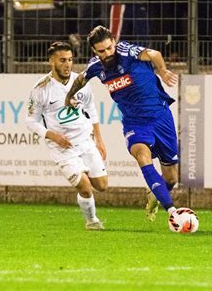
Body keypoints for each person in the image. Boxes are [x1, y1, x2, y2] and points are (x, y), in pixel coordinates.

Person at [65, 25, 179, 222]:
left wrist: (162, 70)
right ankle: (173, 212)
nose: (107, 53)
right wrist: (69, 97)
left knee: (171, 178)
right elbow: (81, 78)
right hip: (135, 123)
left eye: (110, 48)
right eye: (101, 51)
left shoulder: (127, 51)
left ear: (114, 43)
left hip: (161, 117)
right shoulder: (96, 67)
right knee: (143, 157)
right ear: (94, 51)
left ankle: (155, 194)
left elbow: (154, 53)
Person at [26, 41, 109, 230]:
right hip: (62, 147)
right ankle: (92, 221)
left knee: (102, 186)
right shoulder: (41, 88)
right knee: (85, 187)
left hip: (85, 141)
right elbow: (31, 121)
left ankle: (84, 171)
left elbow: (91, 109)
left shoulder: (80, 81)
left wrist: (99, 139)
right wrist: (51, 135)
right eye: (62, 60)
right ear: (51, 62)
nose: (67, 64)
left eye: (70, 60)